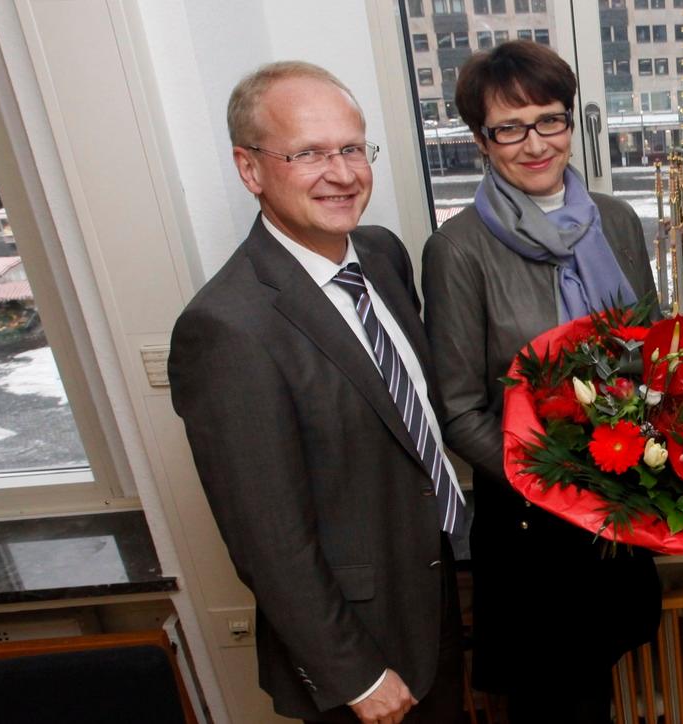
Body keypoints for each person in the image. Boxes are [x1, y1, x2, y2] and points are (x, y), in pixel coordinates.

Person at [168, 61, 466, 724]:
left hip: (433, 588)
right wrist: (354, 676)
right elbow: (267, 537)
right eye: (307, 153)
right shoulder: (228, 328)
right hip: (359, 651)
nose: (342, 173)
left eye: (352, 148)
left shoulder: (382, 254)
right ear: (250, 169)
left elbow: (405, 422)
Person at [420, 41, 661, 724]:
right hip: (531, 527)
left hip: (618, 511)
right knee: (551, 703)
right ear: (480, 141)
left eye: (550, 119)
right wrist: (559, 483)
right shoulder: (458, 249)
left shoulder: (616, 221)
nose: (535, 143)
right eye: (509, 127)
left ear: (571, 123)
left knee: (598, 687)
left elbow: (647, 349)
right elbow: (459, 409)